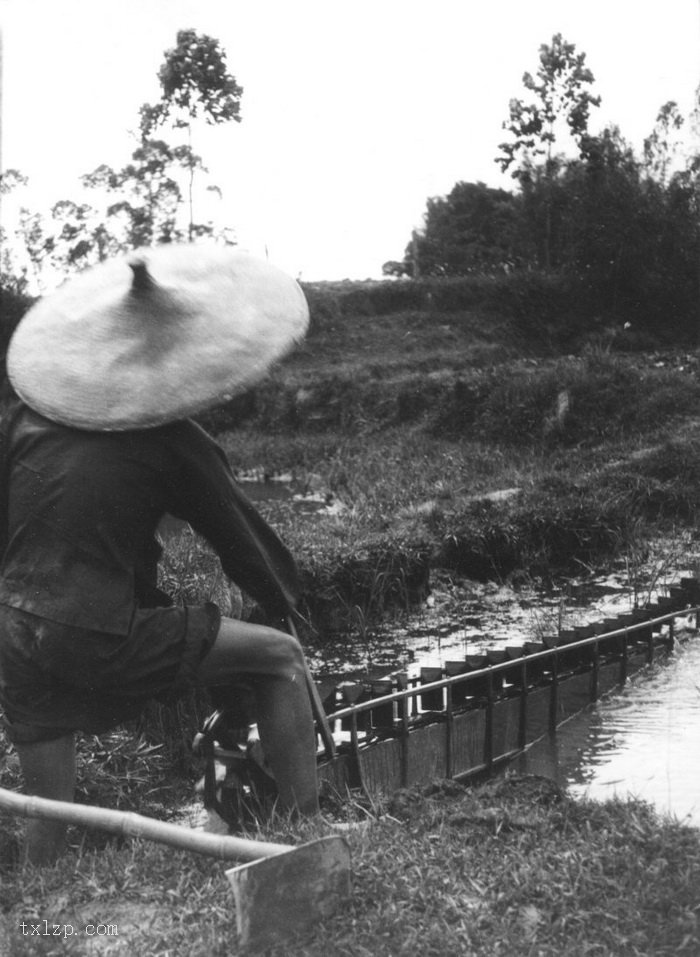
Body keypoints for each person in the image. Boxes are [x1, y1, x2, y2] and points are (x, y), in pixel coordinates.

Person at [0, 245, 320, 865]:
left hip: (10, 628)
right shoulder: (175, 439)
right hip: (94, 629)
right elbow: (241, 538)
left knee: (49, 815)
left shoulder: (23, 424)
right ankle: (306, 835)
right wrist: (287, 603)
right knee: (279, 659)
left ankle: (38, 914)